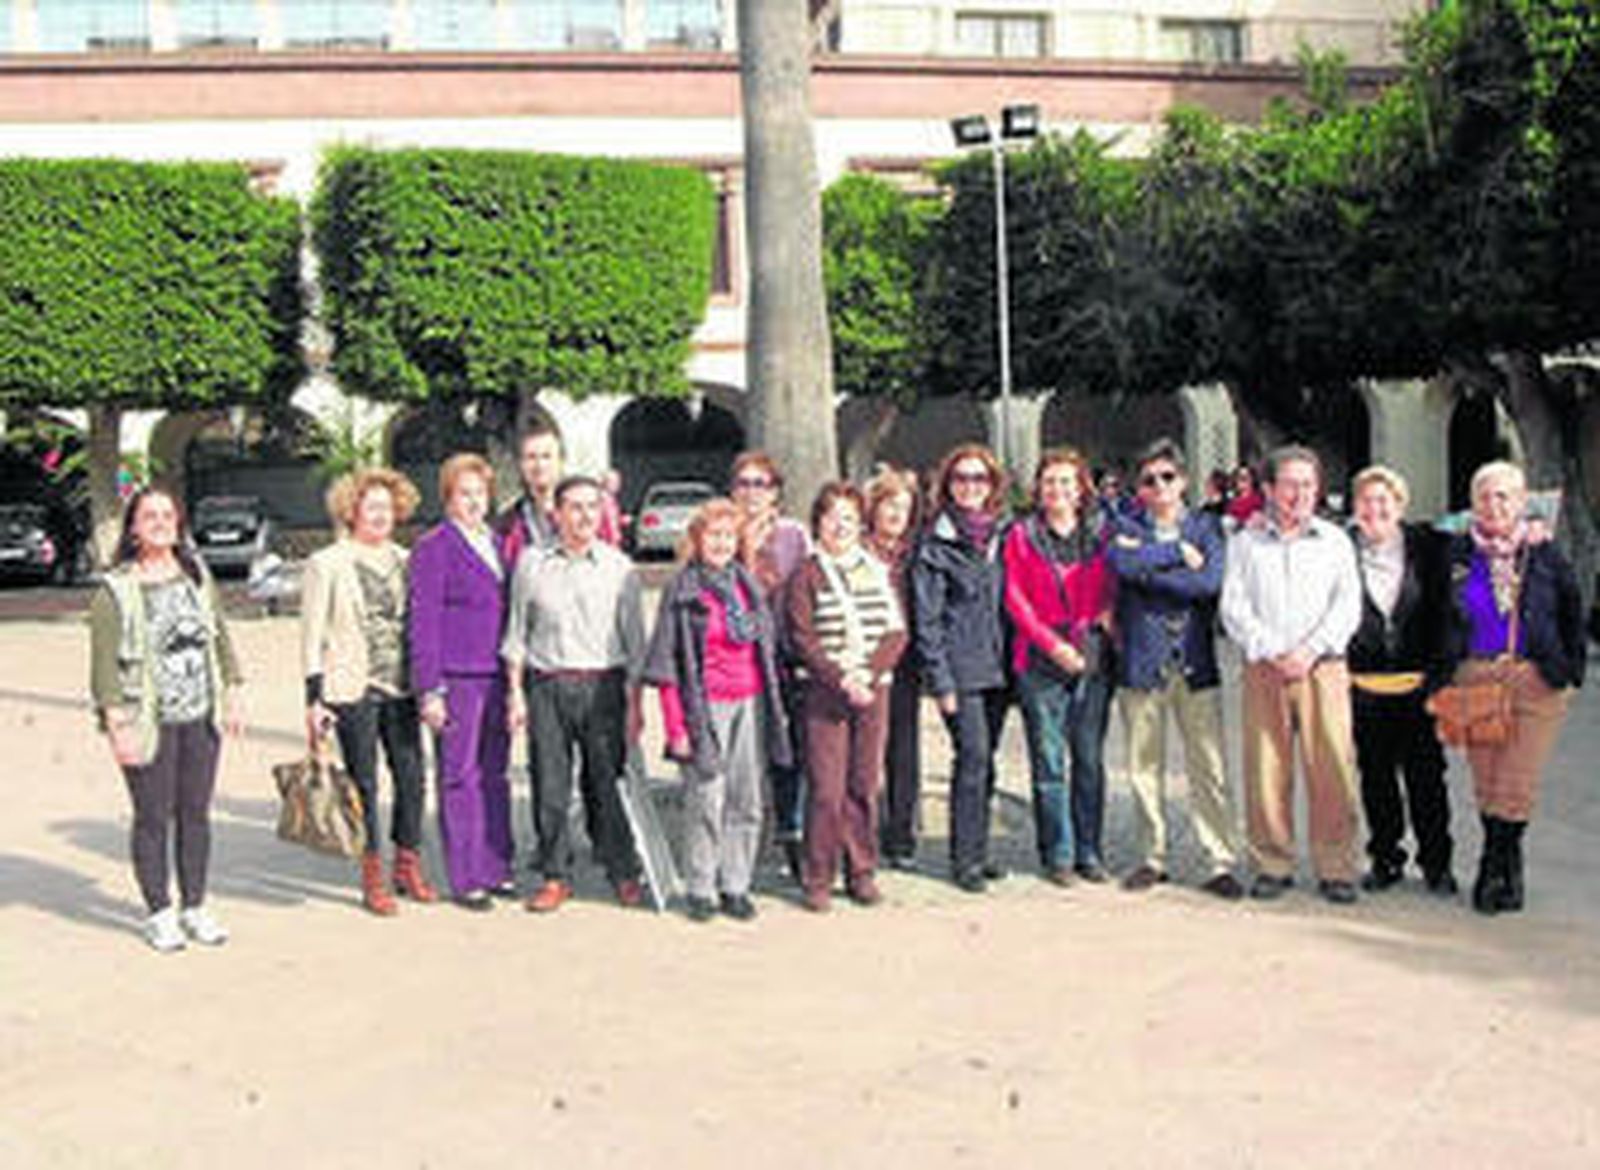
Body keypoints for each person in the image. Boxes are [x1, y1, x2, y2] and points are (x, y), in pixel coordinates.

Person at [89, 485, 244, 952]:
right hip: (147, 721)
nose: (160, 522)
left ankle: (194, 905)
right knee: (153, 816)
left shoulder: (196, 575)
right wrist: (117, 726)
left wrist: (233, 691)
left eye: (167, 515)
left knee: (195, 814)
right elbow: (103, 667)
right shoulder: (115, 590)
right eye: (149, 516)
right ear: (134, 529)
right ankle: (159, 910)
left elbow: (220, 636)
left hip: (200, 714)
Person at [1220, 445, 1363, 904]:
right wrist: (1271, 649)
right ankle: (1271, 862)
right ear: (1268, 490)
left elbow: (1347, 605)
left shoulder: (1336, 542)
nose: (1299, 493)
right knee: (1266, 768)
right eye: (1289, 484)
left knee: (1332, 769)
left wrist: (1310, 650)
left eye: (1308, 484)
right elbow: (1234, 606)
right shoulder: (1246, 543)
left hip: (1323, 669)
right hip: (1265, 668)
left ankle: (1337, 866)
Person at [1440, 461, 1585, 915]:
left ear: (1523, 502)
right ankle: (1509, 863)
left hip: (1535, 678)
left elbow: (1571, 611)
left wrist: (1569, 670)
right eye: (1484, 496)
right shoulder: (1455, 553)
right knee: (1487, 778)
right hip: (1476, 675)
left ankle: (1492, 865)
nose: (1494, 505)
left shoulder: (1545, 553)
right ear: (1472, 503)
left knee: (1517, 778)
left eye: (1504, 496)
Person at [642, 498, 790, 923]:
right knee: (707, 797)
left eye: (729, 535)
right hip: (704, 705)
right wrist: (676, 727)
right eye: (713, 535)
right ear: (697, 540)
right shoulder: (683, 590)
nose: (722, 543)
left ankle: (735, 884)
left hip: (750, 701)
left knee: (746, 798)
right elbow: (666, 666)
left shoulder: (747, 585)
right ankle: (701, 886)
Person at [505, 474, 647, 913]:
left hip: (604, 685)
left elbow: (636, 645)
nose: (585, 516)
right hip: (547, 684)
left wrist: (635, 706)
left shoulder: (619, 568)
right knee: (550, 785)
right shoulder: (531, 563)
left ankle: (622, 869)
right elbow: (517, 634)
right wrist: (515, 694)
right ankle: (555, 874)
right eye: (575, 507)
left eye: (592, 507)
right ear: (557, 513)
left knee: (607, 784)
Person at [301, 468, 438, 917]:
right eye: (371, 506)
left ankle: (408, 861)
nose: (381, 515)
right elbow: (311, 634)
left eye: (387, 506)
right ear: (352, 510)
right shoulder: (327, 563)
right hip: (351, 687)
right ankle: (372, 872)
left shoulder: (408, 558)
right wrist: (314, 698)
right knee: (363, 782)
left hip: (401, 686)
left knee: (413, 777)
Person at [1108, 439, 1242, 898]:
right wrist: (1177, 556)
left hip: (1194, 659)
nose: (1159, 486)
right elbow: (1123, 565)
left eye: (1167, 476)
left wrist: (1151, 569)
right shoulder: (1124, 525)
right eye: (1149, 480)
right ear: (1139, 488)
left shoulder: (1206, 527)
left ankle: (1219, 858)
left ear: (1183, 480)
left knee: (1208, 764)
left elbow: (1207, 584)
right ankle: (1152, 856)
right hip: (1142, 660)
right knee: (1144, 765)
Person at [786, 483, 908, 912]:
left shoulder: (876, 569)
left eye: (851, 518)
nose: (842, 526)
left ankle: (861, 871)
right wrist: (842, 679)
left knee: (863, 784)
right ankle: (818, 876)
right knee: (826, 789)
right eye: (833, 516)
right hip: (825, 693)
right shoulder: (806, 574)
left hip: (874, 691)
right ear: (818, 522)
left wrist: (868, 676)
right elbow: (803, 637)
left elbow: (896, 631)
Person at [1003, 447, 1116, 885]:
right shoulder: (1022, 534)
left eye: (1066, 481)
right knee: (1049, 761)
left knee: (1088, 758)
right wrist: (1052, 645)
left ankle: (1091, 851)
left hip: (1091, 653)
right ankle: (1059, 854)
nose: (1058, 490)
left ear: (1081, 488)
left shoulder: (1101, 533)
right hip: (1039, 658)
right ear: (1038, 488)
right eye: (1050, 481)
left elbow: (1112, 586)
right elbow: (1015, 598)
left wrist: (1098, 625)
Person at [409, 454, 514, 911]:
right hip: (457, 676)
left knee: (495, 774)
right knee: (459, 776)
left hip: (497, 673)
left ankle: (497, 866)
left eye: (479, 493)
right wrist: (429, 688)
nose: (473, 502)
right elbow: (424, 619)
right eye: (463, 494)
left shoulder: (496, 541)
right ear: (448, 498)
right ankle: (466, 874)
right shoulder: (435, 546)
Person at [1346, 465, 1456, 896]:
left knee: (1427, 778)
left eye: (1383, 501)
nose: (1374, 510)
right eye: (1365, 501)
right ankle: (1386, 858)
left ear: (1400, 506)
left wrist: (1441, 674)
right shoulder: (1340, 548)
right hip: (1366, 686)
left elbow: (1448, 612)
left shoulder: (1430, 547)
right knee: (1376, 779)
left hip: (1419, 685)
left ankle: (1437, 863)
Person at [913, 443, 1009, 893]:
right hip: (961, 669)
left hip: (999, 668)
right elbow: (926, 619)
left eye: (979, 479)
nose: (970, 487)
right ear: (948, 485)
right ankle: (964, 859)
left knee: (987, 762)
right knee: (971, 758)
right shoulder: (935, 543)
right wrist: (941, 681)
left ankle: (980, 848)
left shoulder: (1002, 536)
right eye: (962, 479)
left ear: (992, 486)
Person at [730, 450, 811, 879]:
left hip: (782, 655)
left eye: (760, 484)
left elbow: (807, 591)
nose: (751, 492)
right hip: (735, 659)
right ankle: (739, 840)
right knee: (740, 754)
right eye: (744, 483)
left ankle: (790, 831)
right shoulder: (722, 531)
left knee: (786, 753)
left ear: (775, 491)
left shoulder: (793, 534)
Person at [864, 464, 923, 871]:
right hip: (864, 661)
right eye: (888, 506)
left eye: (903, 507)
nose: (895, 515)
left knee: (903, 750)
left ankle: (900, 836)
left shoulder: (915, 553)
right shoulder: (858, 552)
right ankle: (861, 834)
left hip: (906, 663)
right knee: (865, 752)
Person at [494, 424, 564, 571]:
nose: (539, 465)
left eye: (547, 456)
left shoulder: (587, 512)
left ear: (560, 461)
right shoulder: (507, 524)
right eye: (531, 457)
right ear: (521, 464)